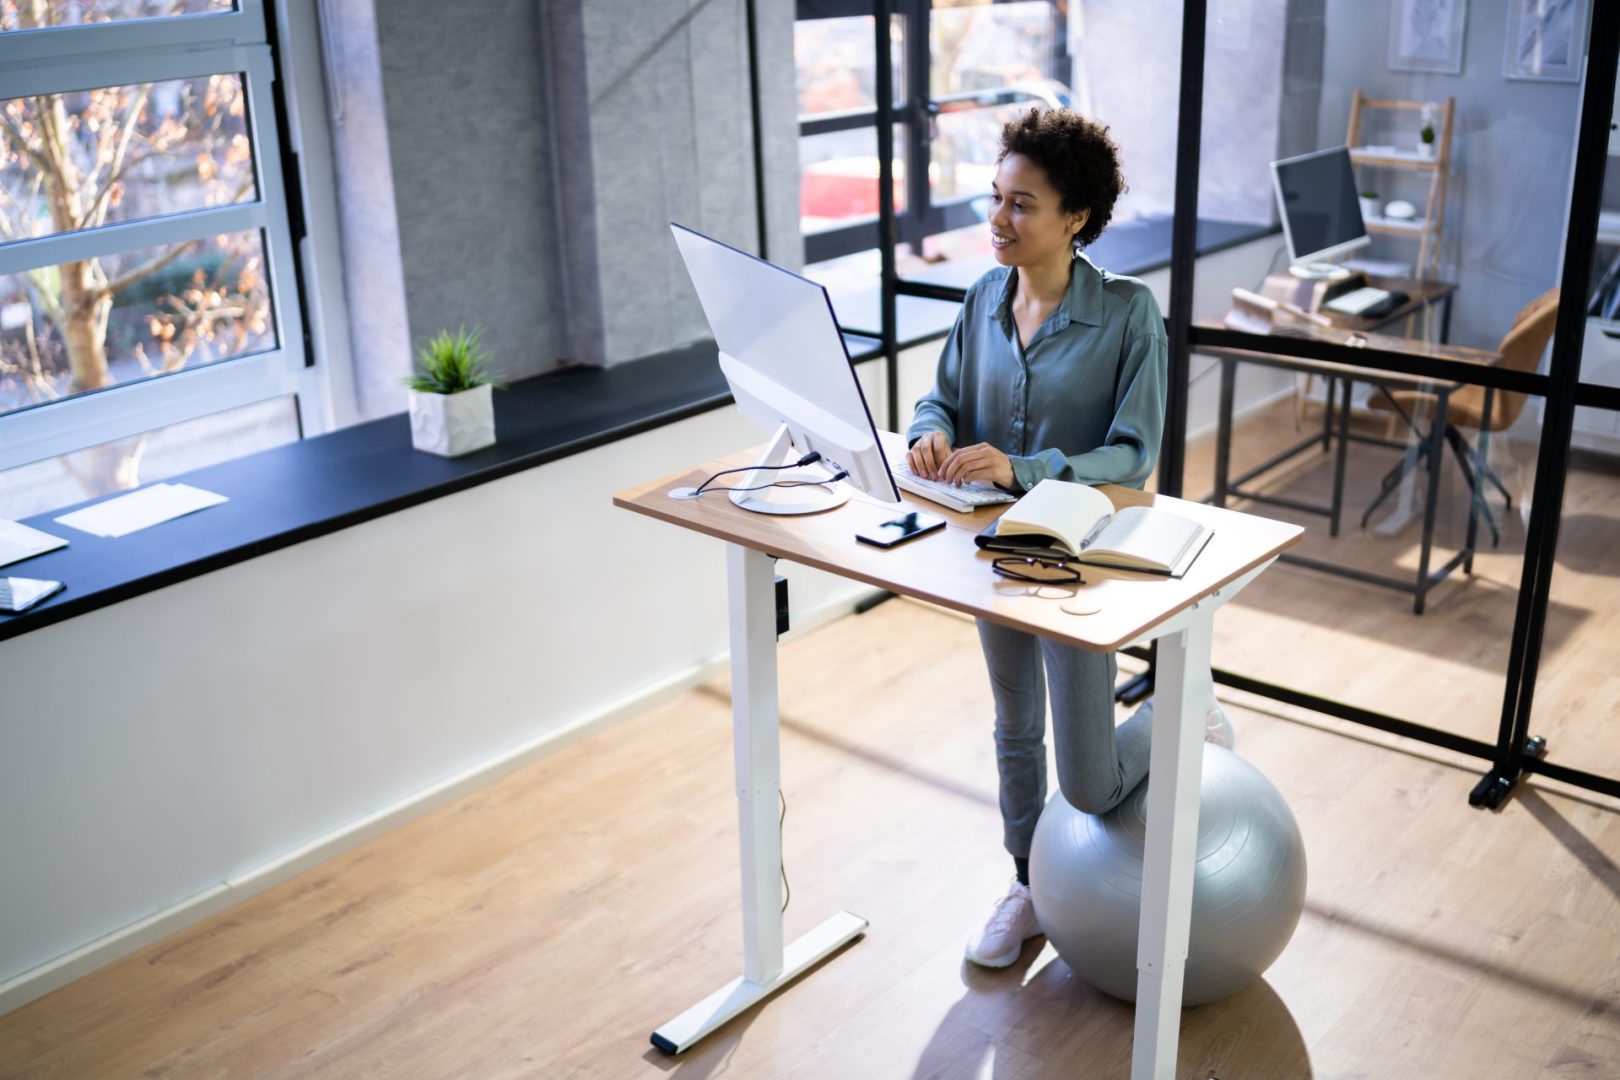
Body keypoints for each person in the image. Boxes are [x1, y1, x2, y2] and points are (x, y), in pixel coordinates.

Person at [904, 108, 1233, 970]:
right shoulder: (982, 297)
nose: (998, 219)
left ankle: (1182, 709)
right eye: (995, 198)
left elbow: (1133, 456)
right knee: (1015, 729)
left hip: (1078, 560)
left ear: (1075, 217)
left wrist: (1023, 468)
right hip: (988, 552)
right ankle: (1027, 887)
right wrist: (926, 432)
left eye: (1023, 204)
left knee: (1089, 781)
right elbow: (938, 395)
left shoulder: (1128, 314)